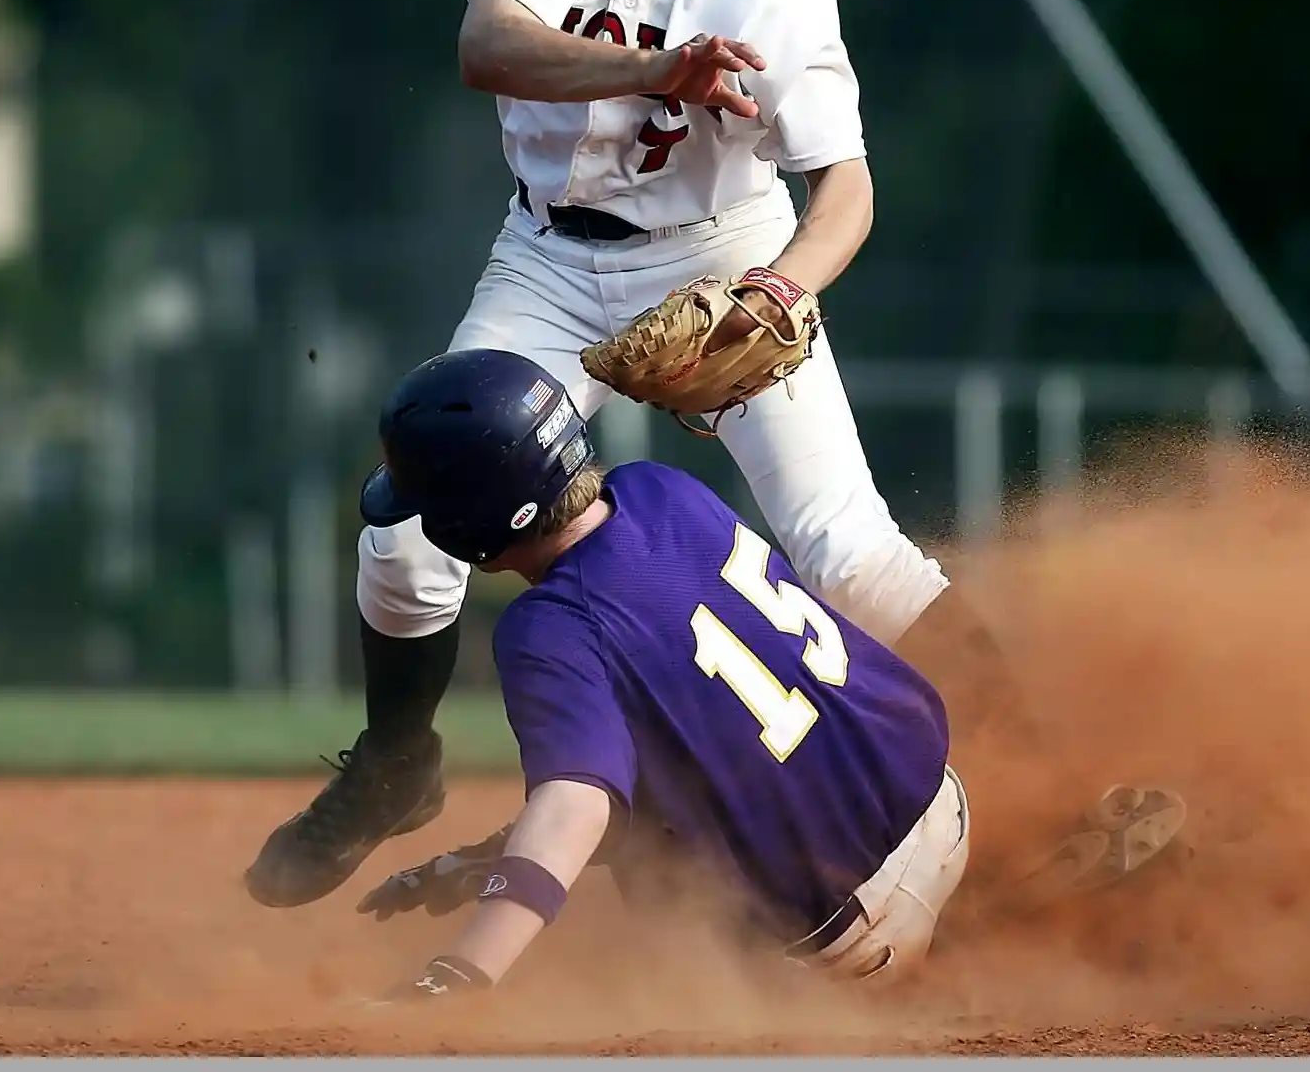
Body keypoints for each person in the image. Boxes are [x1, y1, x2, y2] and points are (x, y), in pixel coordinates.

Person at [244, 0, 1165, 912]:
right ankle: (396, 761)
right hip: (544, 259)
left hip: (717, 252)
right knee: (408, 531)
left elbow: (845, 190)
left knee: (849, 554)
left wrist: (778, 294)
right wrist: (669, 69)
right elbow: (485, 46)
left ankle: (1071, 795)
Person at [347, 348, 973, 996]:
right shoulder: (660, 489)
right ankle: (989, 915)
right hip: (945, 804)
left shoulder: (548, 625)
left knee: (660, 890)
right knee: (663, 764)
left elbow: (577, 804)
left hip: (856, 934)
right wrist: (485, 861)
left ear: (466, 522)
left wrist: (460, 973)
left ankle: (889, 971)